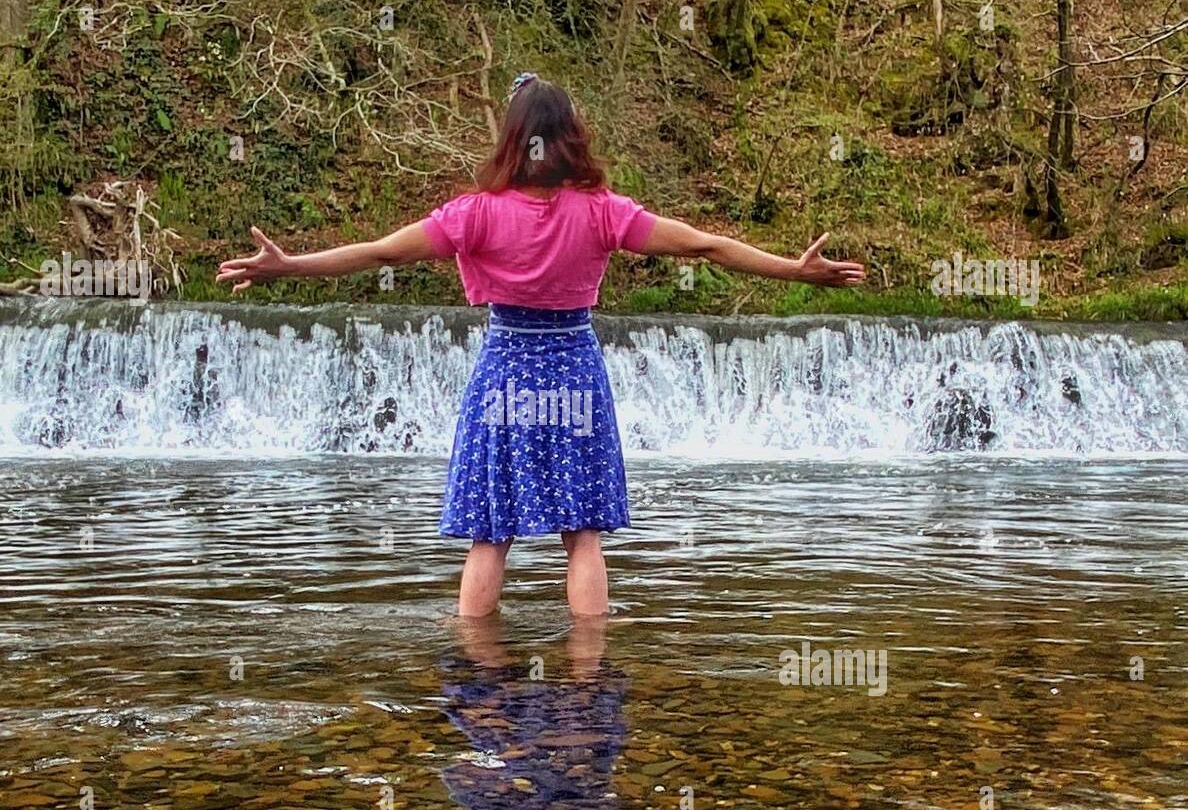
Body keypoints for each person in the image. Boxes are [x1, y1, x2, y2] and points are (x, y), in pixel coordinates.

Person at [217, 73, 865, 622]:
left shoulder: (473, 214)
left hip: (505, 370)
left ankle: (478, 671)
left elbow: (380, 252)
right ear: (572, 137)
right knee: (582, 532)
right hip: (574, 369)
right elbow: (704, 245)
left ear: (511, 138)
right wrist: (793, 269)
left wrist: (289, 265)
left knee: (490, 532)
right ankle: (588, 676)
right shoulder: (603, 211)